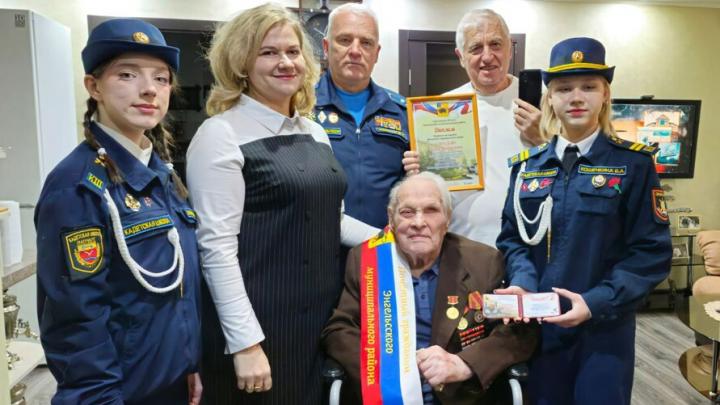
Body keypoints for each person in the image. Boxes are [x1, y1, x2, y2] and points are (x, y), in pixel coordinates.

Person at [185, 4, 376, 404]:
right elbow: (216, 248)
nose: (285, 63)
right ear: (241, 62)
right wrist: (245, 343)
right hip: (261, 327)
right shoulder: (220, 135)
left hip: (321, 322)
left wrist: (395, 240)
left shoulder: (314, 132)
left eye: (292, 51)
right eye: (268, 52)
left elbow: (333, 220)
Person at [495, 37, 672, 404]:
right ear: (550, 98)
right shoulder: (527, 168)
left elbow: (651, 253)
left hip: (603, 332)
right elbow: (512, 239)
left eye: (589, 87)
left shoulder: (634, 165)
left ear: (605, 94)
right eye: (564, 88)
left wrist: (595, 302)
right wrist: (523, 283)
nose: (576, 97)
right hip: (539, 332)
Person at [34, 18, 202, 404]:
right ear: (94, 87)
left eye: (161, 78)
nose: (149, 89)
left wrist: (188, 361)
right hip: (119, 395)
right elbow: (76, 322)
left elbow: (174, 291)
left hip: (170, 385)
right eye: (127, 74)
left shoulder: (159, 174)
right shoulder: (77, 185)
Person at [322, 172, 537, 405]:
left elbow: (519, 331)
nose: (418, 222)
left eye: (431, 210)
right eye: (407, 212)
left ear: (447, 219)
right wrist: (387, 371)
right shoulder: (366, 261)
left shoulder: (483, 262)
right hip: (386, 397)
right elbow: (339, 329)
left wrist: (464, 363)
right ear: (391, 219)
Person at [403, 9, 544, 248]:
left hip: (529, 246)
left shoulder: (543, 103)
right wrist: (418, 173)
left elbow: (570, 170)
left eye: (495, 44)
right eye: (476, 48)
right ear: (460, 56)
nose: (487, 56)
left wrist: (544, 139)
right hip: (462, 247)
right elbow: (431, 193)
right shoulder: (441, 110)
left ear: (509, 48)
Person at [313, 3, 408, 230]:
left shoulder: (402, 111)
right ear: (326, 47)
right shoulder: (301, 108)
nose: (355, 51)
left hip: (384, 244)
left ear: (376, 53)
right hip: (318, 243)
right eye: (345, 40)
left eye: (366, 43)